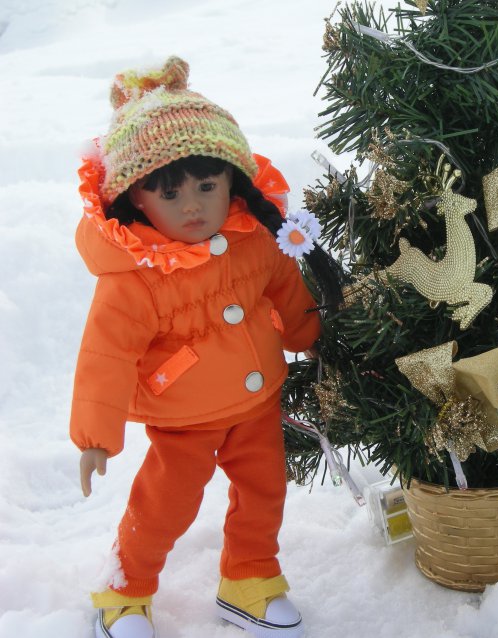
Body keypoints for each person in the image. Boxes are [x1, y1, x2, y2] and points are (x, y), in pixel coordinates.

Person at [71, 56, 324, 638]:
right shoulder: (136, 276)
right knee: (166, 505)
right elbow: (105, 356)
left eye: (207, 186)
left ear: (232, 179)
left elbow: (285, 288)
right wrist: (95, 437)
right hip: (183, 417)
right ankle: (125, 588)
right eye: (170, 193)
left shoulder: (252, 238)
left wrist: (311, 339)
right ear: (136, 199)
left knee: (264, 493)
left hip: (257, 405)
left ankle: (250, 579)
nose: (192, 205)